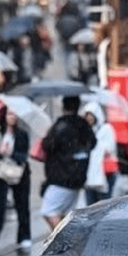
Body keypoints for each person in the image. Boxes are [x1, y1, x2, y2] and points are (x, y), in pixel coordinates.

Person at [0, 108, 32, 256]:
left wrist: (11, 153)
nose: (12, 117)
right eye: (10, 114)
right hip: (0, 173)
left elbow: (24, 156)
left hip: (19, 173)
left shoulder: (22, 134)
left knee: (22, 205)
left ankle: (24, 236)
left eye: (15, 115)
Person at [41, 96, 97, 230]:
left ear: (63, 106)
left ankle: (65, 242)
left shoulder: (61, 126)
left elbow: (48, 145)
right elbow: (93, 143)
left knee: (48, 211)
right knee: (65, 213)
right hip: (78, 176)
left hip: (60, 177)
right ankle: (66, 243)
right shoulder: (84, 126)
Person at [81, 102, 118, 205]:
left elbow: (110, 148)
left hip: (105, 174)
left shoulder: (106, 129)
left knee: (104, 206)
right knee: (90, 207)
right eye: (87, 115)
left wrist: (96, 146)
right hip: (89, 176)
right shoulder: (85, 132)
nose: (89, 118)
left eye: (91, 115)